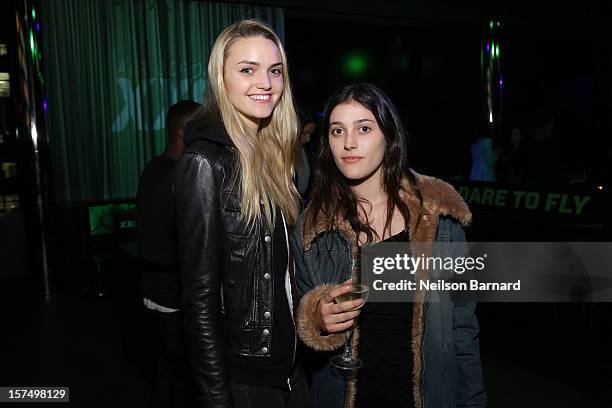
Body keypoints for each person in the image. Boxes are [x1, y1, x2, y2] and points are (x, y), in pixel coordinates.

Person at [293, 83, 485, 408]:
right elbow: (300, 312)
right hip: (346, 396)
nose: (349, 143)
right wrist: (318, 322)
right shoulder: (314, 226)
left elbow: (462, 328)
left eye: (364, 128)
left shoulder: (439, 218)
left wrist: (473, 402)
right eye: (337, 131)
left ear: (389, 136)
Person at [174, 20, 310, 408]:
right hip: (247, 379)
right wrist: (216, 397)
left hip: (293, 366)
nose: (264, 82)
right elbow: (199, 299)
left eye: (274, 70)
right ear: (222, 77)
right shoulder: (205, 162)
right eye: (247, 70)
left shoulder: (276, 157)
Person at [136, 100, 200, 408]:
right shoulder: (177, 176)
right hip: (171, 297)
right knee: (188, 377)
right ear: (183, 131)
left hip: (154, 292)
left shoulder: (153, 167)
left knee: (165, 374)